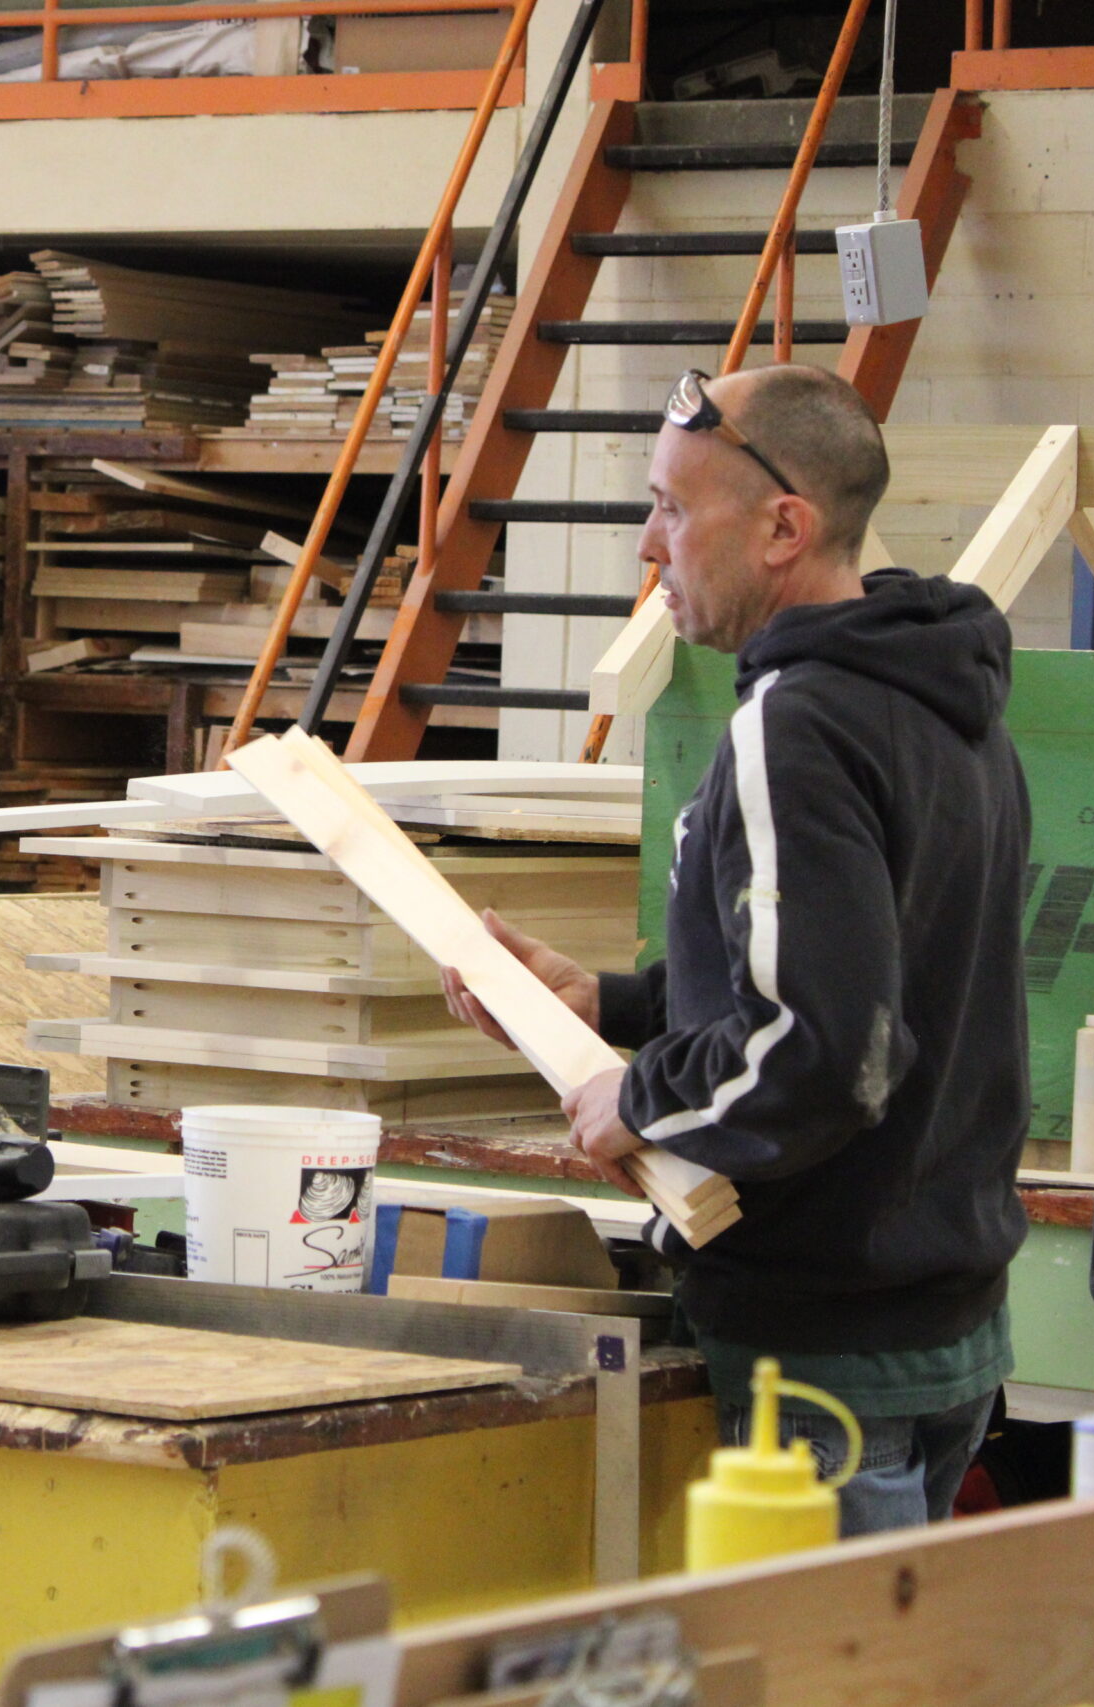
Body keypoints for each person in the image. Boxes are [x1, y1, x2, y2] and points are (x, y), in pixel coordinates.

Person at [443, 364, 1031, 1536]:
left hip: (817, 1356)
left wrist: (640, 1098)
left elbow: (825, 1050)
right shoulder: (940, 704)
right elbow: (856, 974)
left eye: (670, 505)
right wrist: (611, 1003)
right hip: (944, 1327)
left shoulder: (795, 724)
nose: (648, 546)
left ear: (780, 527)